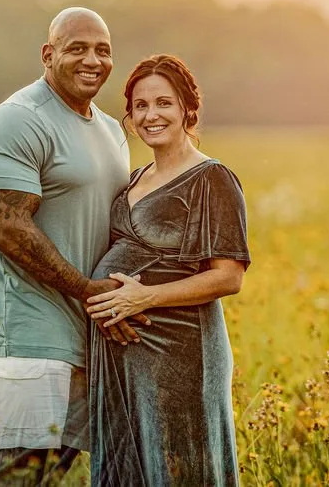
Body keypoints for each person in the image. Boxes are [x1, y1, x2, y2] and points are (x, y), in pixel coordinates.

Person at [0, 7, 148, 485]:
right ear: (48, 55)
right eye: (77, 48)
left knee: (53, 472)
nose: (93, 60)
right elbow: (5, 226)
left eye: (103, 50)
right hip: (27, 326)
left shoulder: (110, 130)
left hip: (87, 327)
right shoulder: (15, 120)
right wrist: (89, 290)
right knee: (23, 473)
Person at [86, 54, 251, 486]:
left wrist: (145, 297)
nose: (150, 115)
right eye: (140, 106)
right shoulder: (135, 177)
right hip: (124, 353)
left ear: (186, 109)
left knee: (182, 466)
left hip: (182, 353)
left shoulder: (210, 178)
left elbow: (229, 276)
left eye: (163, 103)